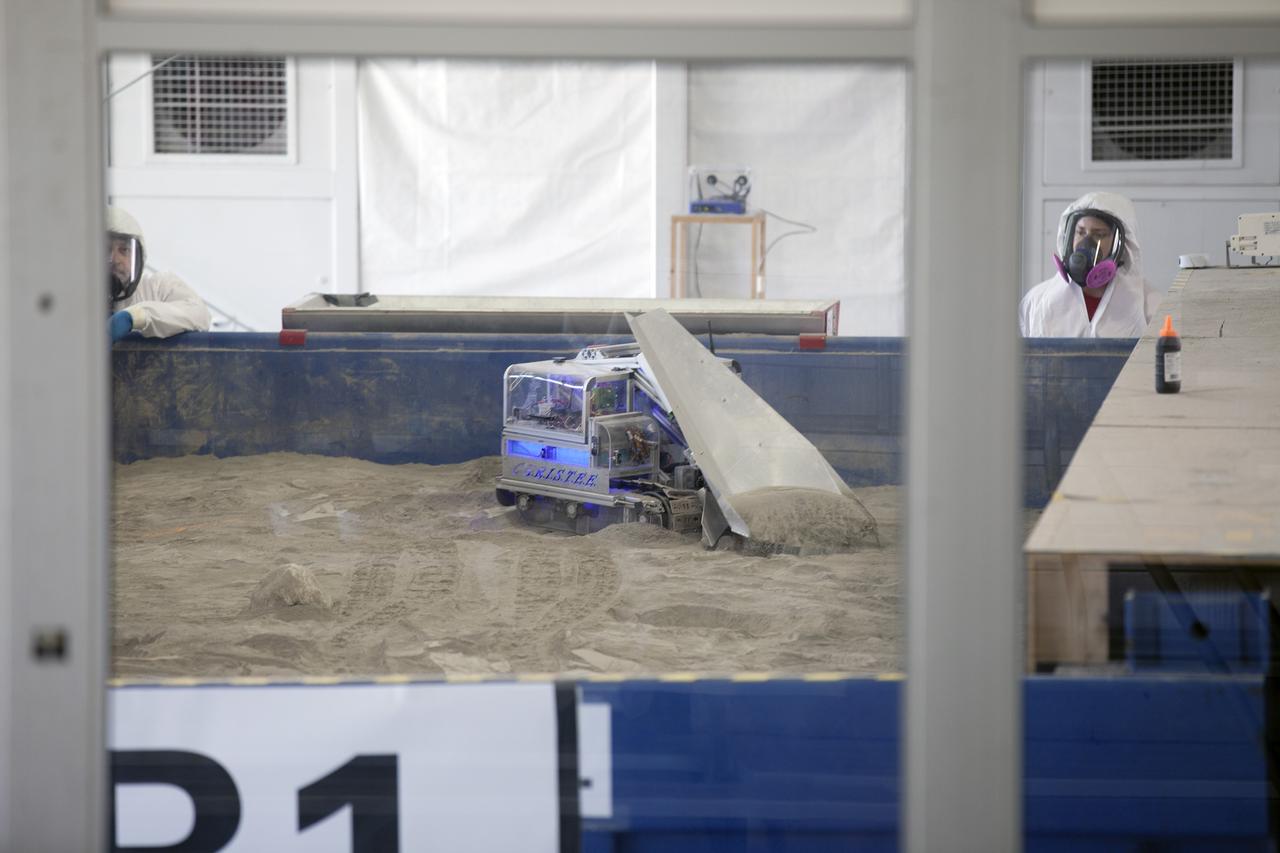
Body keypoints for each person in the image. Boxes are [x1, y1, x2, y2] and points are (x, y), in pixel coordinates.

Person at [1019, 191, 1159, 337]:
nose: (1086, 243)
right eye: (1080, 232)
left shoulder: (1150, 306)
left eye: (1099, 235)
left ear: (1121, 245)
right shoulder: (1036, 302)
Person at [108, 206, 211, 341]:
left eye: (124, 250)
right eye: (105, 249)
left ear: (138, 258)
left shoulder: (157, 288)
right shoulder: (73, 297)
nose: (114, 259)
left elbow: (199, 314)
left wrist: (136, 316)